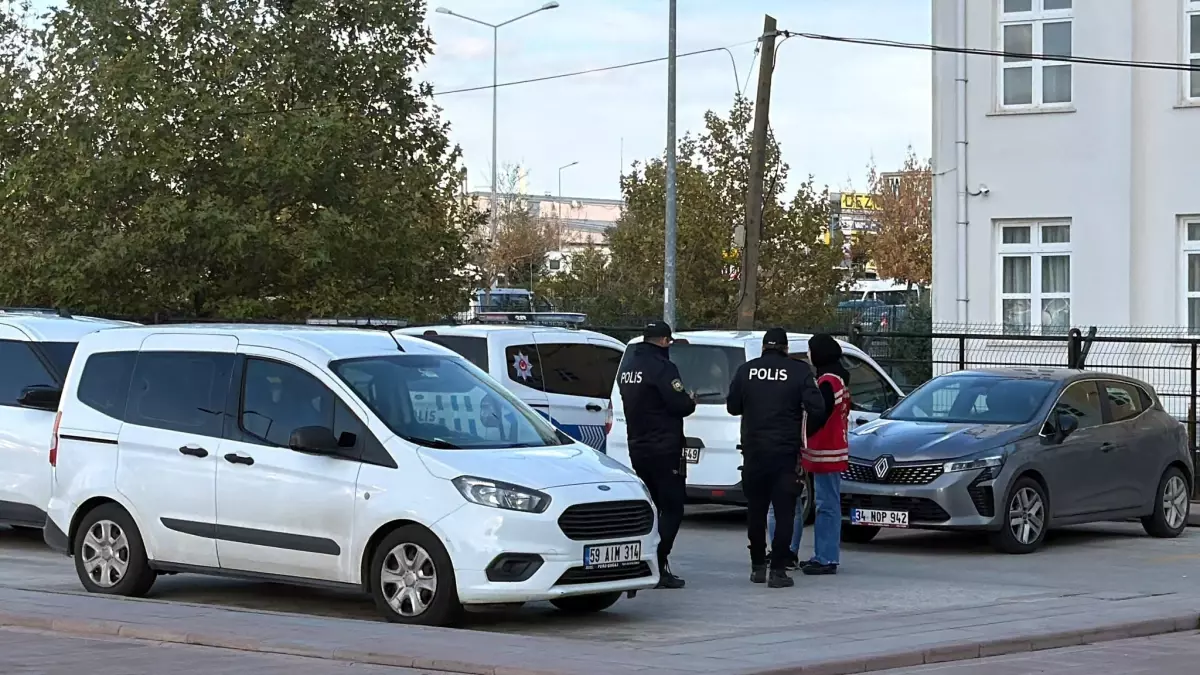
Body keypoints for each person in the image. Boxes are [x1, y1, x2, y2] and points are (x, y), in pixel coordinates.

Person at [726, 328, 826, 588]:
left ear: (763, 347)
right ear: (785, 348)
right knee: (784, 513)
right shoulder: (799, 371)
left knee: (756, 511)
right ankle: (778, 571)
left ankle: (758, 566)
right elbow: (818, 407)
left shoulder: (746, 370)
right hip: (784, 452)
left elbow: (732, 406)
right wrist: (804, 432)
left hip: (753, 451)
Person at [617, 320, 696, 589]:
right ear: (664, 341)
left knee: (649, 507)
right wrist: (690, 399)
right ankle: (658, 564)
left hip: (637, 445)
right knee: (672, 507)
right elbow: (680, 404)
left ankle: (640, 562)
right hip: (665, 447)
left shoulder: (627, 368)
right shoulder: (663, 368)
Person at [799, 333, 853, 576]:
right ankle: (824, 555)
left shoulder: (827, 382)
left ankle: (826, 557)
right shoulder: (837, 378)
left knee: (826, 506)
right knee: (827, 504)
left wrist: (801, 433)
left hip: (825, 450)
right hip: (833, 449)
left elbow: (819, 414)